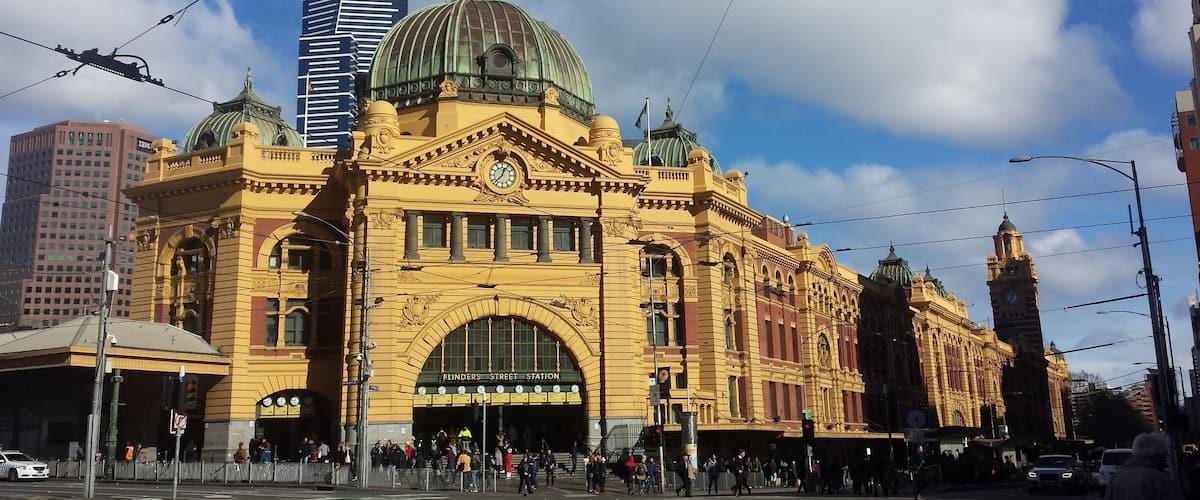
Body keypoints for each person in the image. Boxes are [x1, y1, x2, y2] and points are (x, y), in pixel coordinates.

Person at [1105, 432, 1184, 500]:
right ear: (1157, 454)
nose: (1166, 459)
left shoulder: (1116, 478)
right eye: (1165, 454)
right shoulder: (1159, 480)